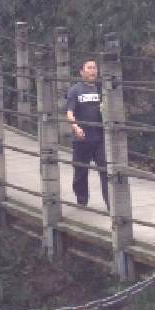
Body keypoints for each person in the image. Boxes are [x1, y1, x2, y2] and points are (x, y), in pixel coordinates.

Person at [63, 58, 109, 209]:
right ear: (82, 71)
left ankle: (111, 204)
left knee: (106, 171)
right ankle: (82, 201)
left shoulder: (102, 89)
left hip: (100, 138)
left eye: (94, 67)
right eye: (89, 68)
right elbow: (69, 113)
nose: (93, 70)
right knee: (81, 173)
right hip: (82, 139)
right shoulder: (75, 90)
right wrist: (76, 127)